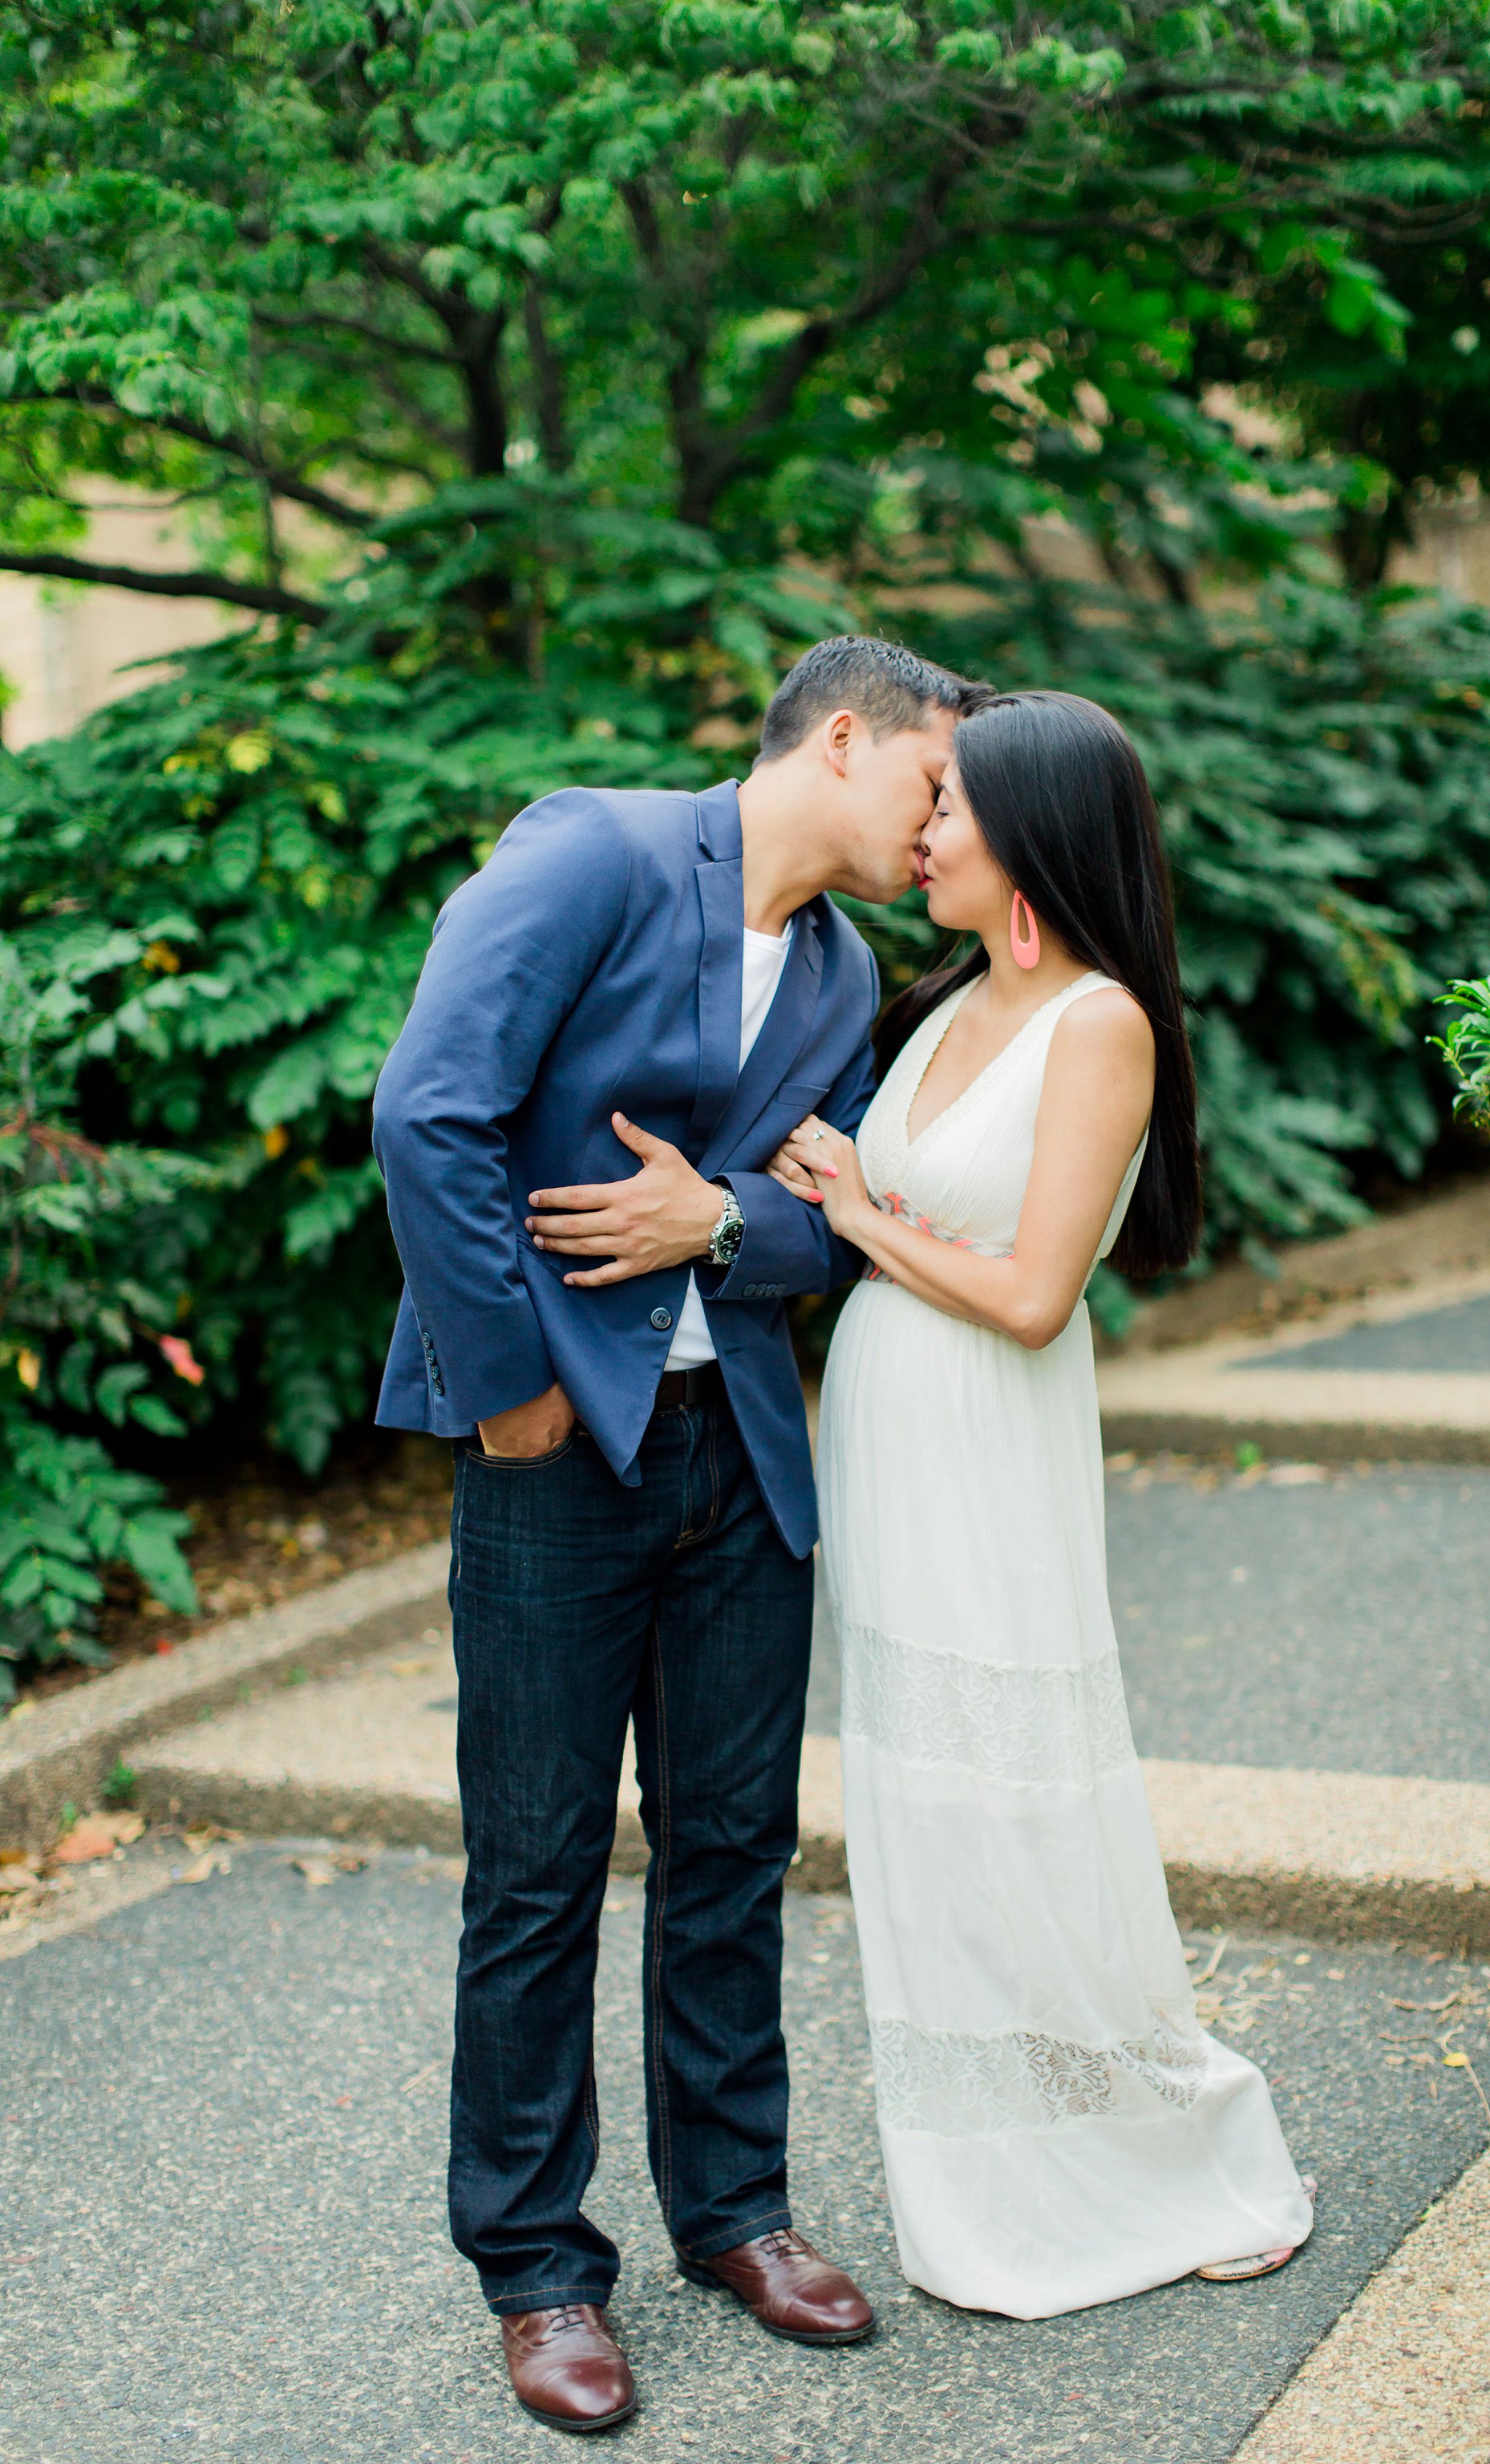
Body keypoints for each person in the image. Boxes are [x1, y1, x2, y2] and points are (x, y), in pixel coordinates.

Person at [370, 637, 990, 2432]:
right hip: (556, 1453)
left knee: (730, 1847)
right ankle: (539, 2267)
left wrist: (719, 1216)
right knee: (541, 1862)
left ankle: (735, 2210)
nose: (941, 820)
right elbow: (431, 1111)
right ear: (847, 736)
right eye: (930, 782)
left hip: (746, 1455)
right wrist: (508, 1394)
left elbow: (838, 1222)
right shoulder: (598, 853)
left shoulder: (847, 963)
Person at [768, 690, 1315, 2319]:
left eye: (948, 809)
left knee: (1019, 1797)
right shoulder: (938, 1005)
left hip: (988, 1438)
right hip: (891, 1441)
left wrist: (860, 1216)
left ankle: (1182, 2144)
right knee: (929, 1808)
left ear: (1034, 828)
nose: (919, 833)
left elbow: (1027, 1295)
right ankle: (998, 2171)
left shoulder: (1100, 1023)